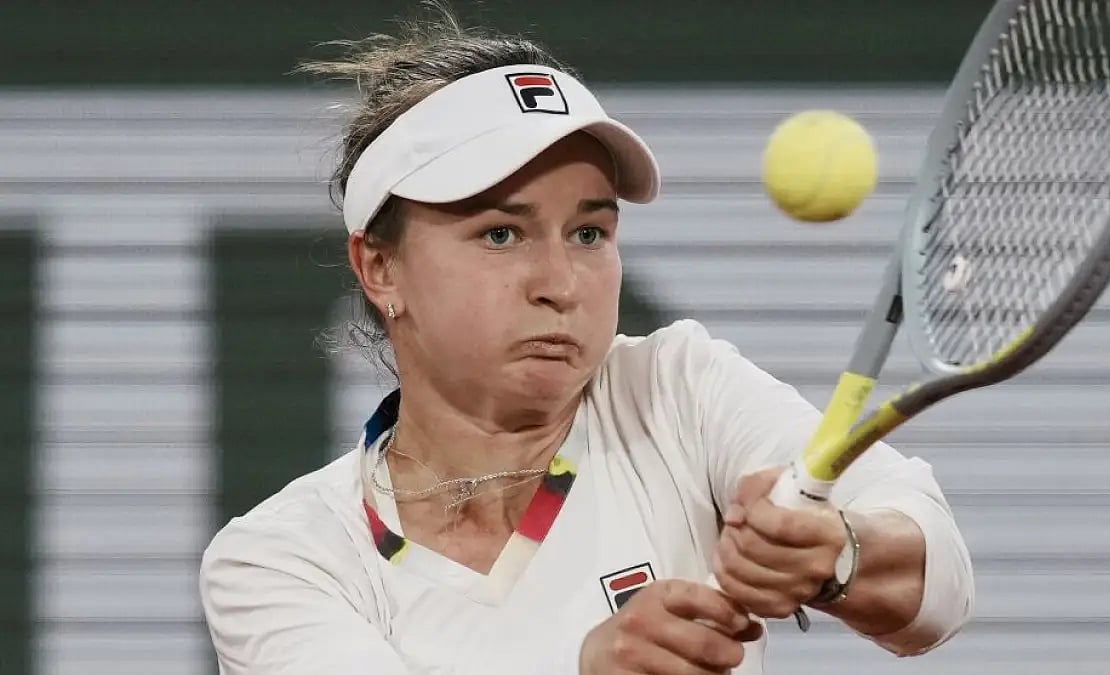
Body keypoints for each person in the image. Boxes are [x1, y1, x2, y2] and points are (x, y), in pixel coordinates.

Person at [199, 6, 974, 674]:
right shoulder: (280, 556)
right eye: (501, 232)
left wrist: (835, 552)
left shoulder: (677, 389)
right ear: (379, 266)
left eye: (589, 231)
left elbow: (935, 575)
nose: (560, 282)